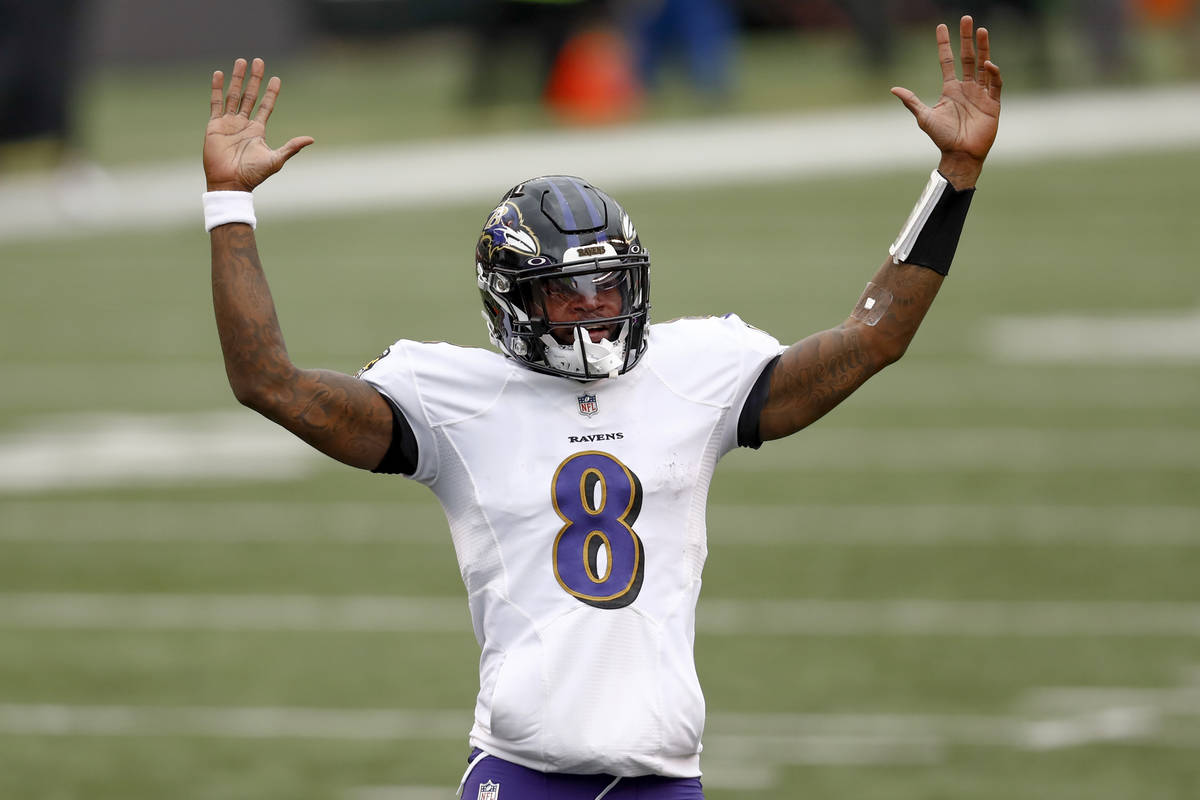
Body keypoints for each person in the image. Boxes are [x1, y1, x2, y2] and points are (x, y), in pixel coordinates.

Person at [202, 16, 1001, 800]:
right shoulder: (452, 400)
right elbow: (266, 380)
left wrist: (954, 176)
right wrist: (230, 204)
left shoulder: (695, 371)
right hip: (519, 773)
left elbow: (873, 337)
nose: (593, 312)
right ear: (510, 301)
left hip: (663, 776)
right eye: (566, 295)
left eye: (607, 287)